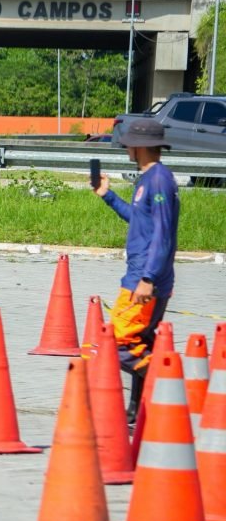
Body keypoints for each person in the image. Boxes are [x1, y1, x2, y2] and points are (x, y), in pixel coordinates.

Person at [92, 118, 179, 424]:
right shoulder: (146, 179)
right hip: (141, 275)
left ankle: (167, 380)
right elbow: (140, 221)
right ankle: (138, 411)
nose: (126, 147)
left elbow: (163, 234)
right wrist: (108, 195)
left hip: (143, 279)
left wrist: (148, 279)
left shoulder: (159, 180)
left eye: (129, 142)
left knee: (116, 342)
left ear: (140, 146)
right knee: (140, 342)